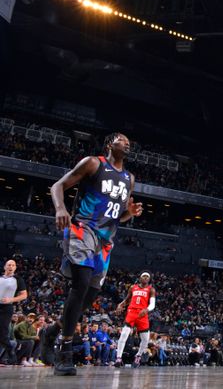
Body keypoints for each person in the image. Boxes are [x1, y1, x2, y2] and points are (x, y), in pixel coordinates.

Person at [44, 132, 143, 376]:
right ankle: (64, 351)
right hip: (82, 229)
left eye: (130, 142)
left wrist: (129, 213)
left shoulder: (129, 179)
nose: (127, 143)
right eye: (122, 140)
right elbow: (58, 186)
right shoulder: (94, 163)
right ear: (110, 144)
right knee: (81, 284)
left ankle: (52, 331)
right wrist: (60, 209)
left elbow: (115, 216)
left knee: (90, 296)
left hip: (106, 239)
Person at [114, 271, 156, 368]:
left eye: (147, 277)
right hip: (131, 312)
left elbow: (152, 304)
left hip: (143, 313)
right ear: (140, 278)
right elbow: (127, 299)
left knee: (145, 339)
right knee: (124, 334)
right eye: (144, 276)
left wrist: (147, 310)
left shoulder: (151, 289)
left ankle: (138, 355)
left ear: (149, 279)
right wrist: (121, 304)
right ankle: (118, 358)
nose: (145, 278)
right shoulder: (133, 287)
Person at [0, 259, 28, 365]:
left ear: (15, 267)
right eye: (8, 265)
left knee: (3, 333)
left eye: (13, 265)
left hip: (6, 307)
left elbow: (24, 295)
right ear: (5, 267)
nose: (10, 266)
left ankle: (10, 351)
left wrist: (11, 299)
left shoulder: (18, 279)